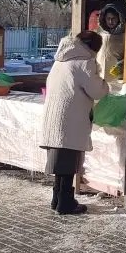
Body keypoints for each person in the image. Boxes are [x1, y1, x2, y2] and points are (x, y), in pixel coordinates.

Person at [38, 30, 109, 215]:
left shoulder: (60, 60)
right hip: (71, 118)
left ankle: (57, 198)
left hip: (54, 117)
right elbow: (97, 91)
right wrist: (105, 82)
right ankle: (66, 203)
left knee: (61, 162)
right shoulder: (85, 62)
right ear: (94, 48)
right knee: (68, 162)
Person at [96, 2, 126, 89]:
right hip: (100, 71)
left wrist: (121, 65)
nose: (110, 21)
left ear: (119, 18)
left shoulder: (124, 34)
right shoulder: (100, 33)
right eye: (108, 18)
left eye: (113, 18)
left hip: (116, 73)